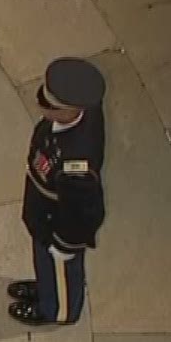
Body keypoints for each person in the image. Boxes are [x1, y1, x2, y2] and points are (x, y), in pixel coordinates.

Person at [10, 57, 107, 326]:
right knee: (45, 263)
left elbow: (84, 211)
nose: (43, 108)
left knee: (62, 269)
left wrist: (65, 244)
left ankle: (56, 310)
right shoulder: (76, 112)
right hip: (43, 211)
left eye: (51, 106)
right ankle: (45, 289)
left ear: (69, 110)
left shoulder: (77, 163)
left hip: (57, 224)